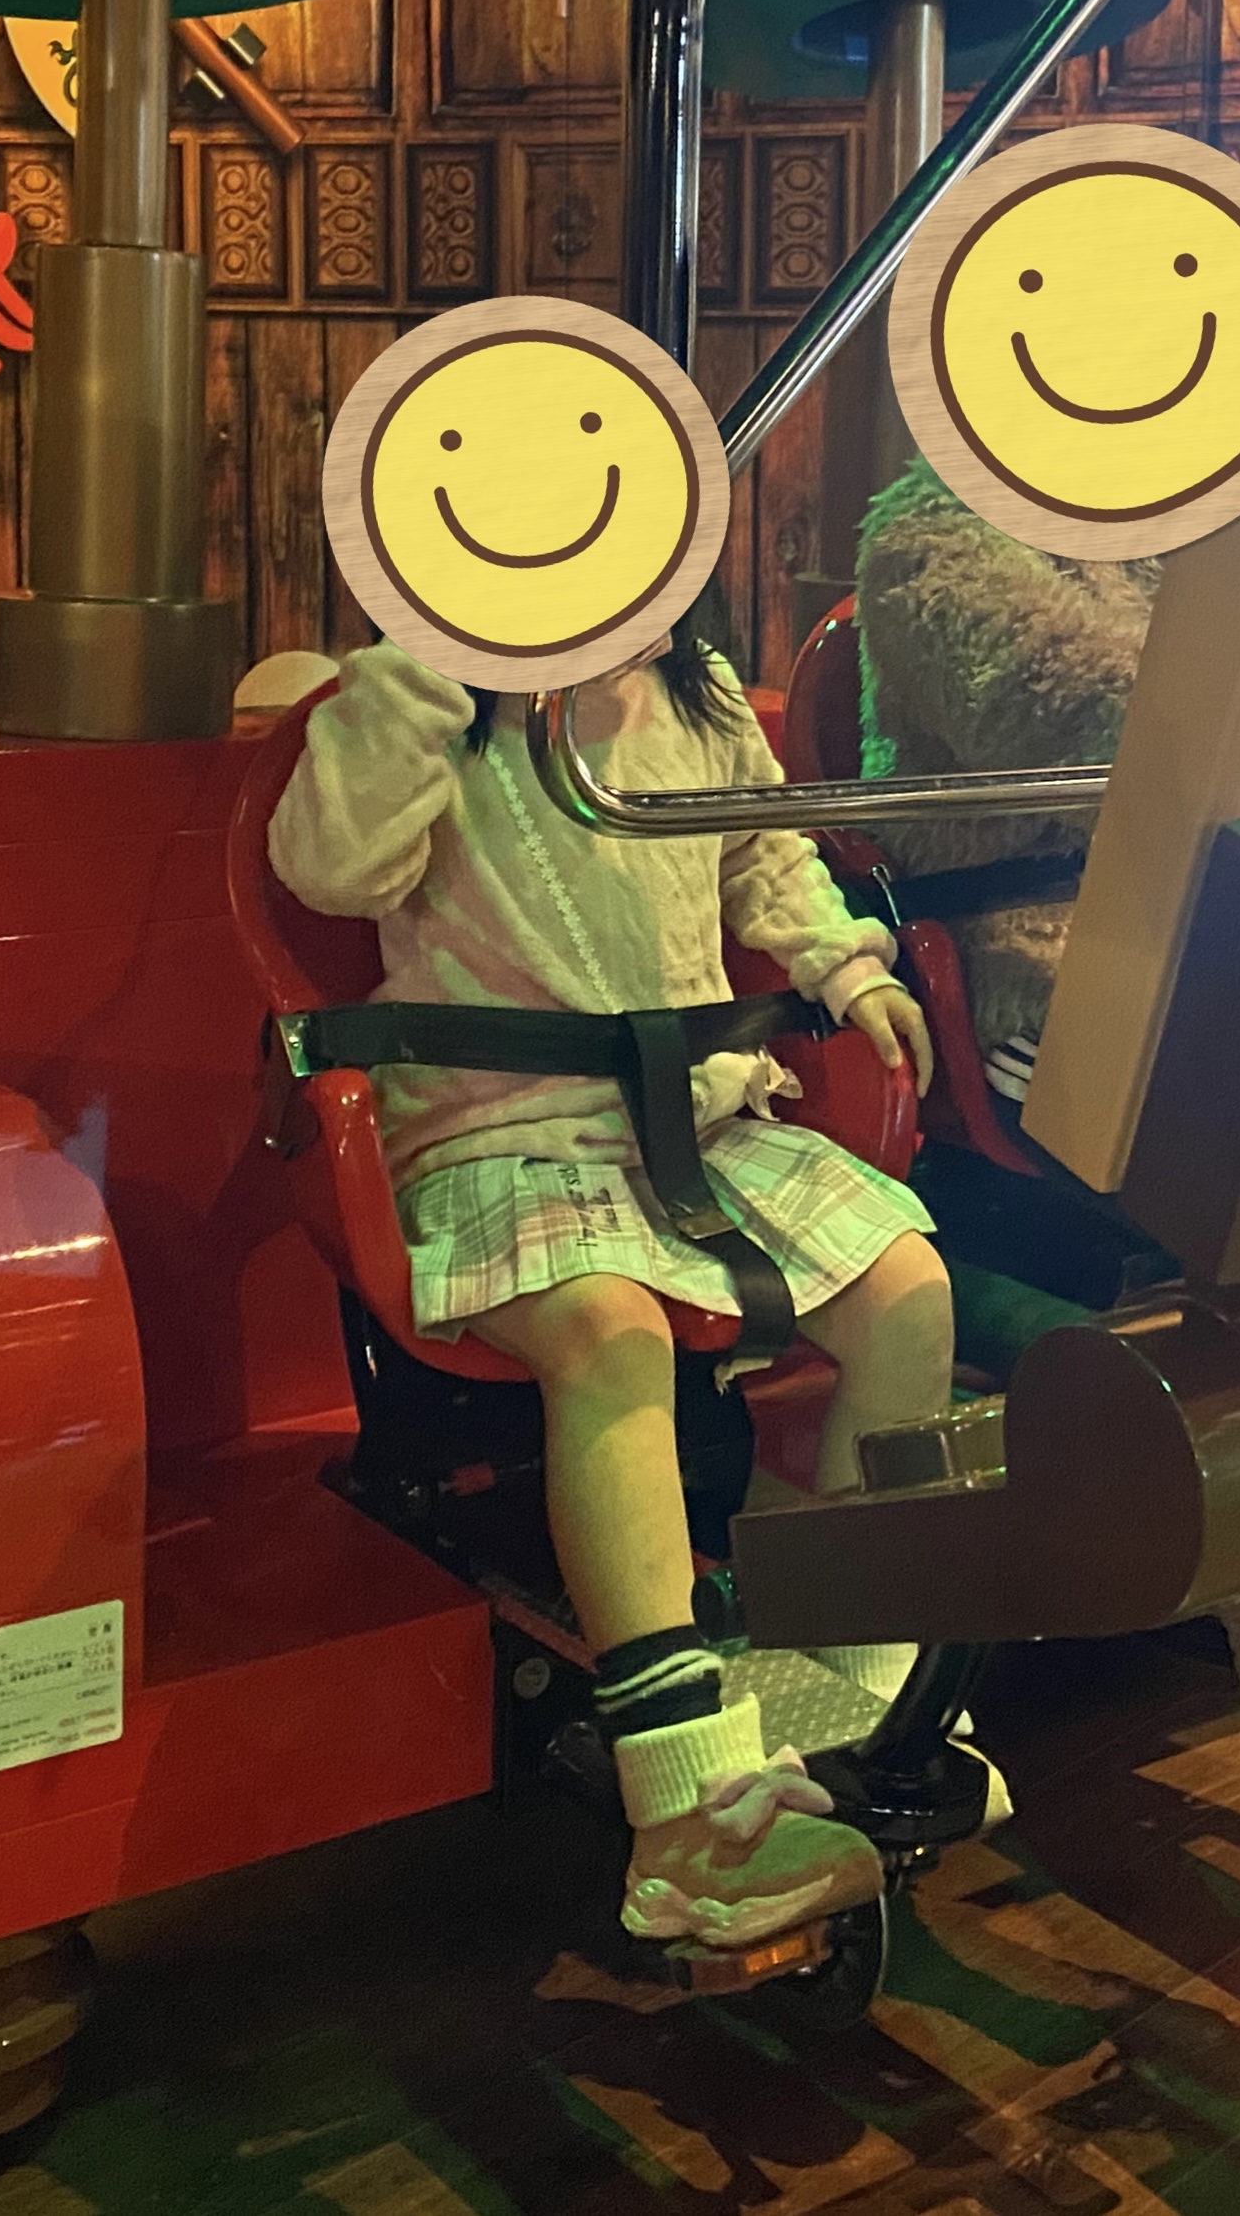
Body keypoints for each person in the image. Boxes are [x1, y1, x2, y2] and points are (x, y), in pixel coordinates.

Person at [269, 597, 952, 1957]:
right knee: (610, 1335)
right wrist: (434, 664)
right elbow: (330, 867)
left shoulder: (695, 693)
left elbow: (764, 854)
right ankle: (683, 1807)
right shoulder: (417, 696)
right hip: (499, 1130)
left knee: (910, 1294)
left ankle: (848, 1680)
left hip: (693, 1120)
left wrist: (845, 968)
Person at [854, 457, 1240, 1785]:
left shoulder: (1176, 537)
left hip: (1209, 928)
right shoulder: (931, 534)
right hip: (1044, 951)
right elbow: (1081, 713)